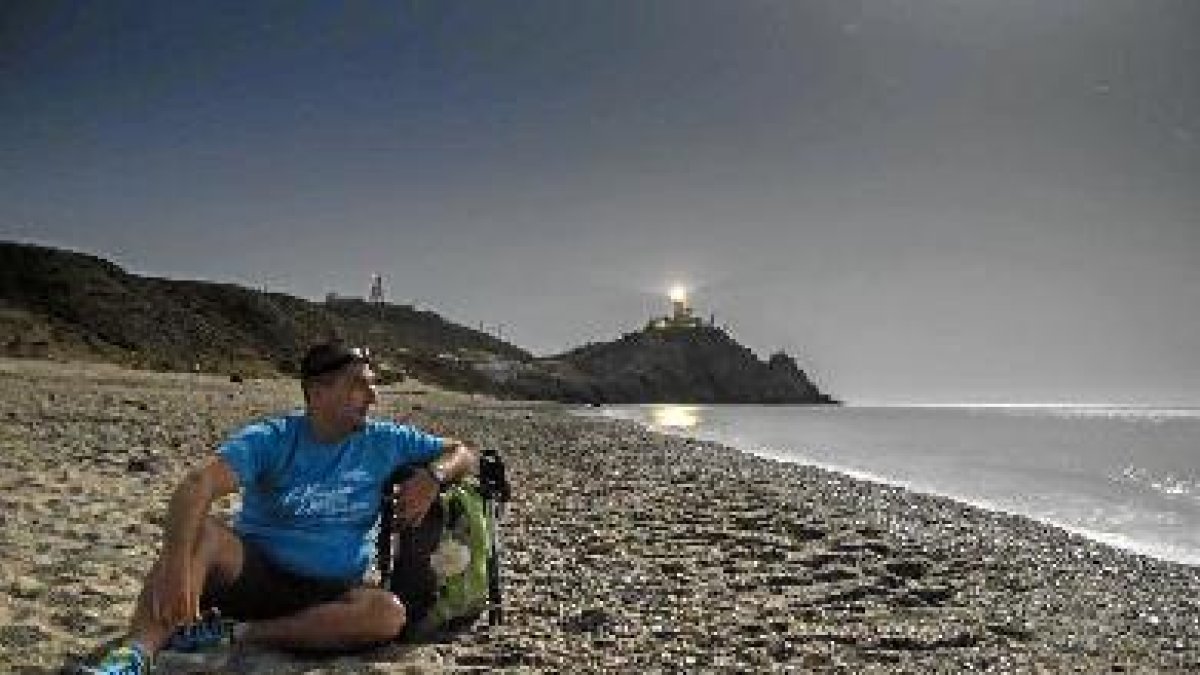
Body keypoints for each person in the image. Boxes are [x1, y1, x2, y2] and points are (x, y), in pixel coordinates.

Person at [80, 342, 479, 674]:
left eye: (372, 386)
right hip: (256, 574)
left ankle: (240, 633)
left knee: (387, 615)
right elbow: (195, 485)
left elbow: (463, 452)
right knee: (202, 533)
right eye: (358, 386)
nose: (373, 397)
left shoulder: (385, 441)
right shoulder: (274, 438)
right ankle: (133, 654)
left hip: (330, 592)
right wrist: (173, 565)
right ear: (318, 391)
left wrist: (433, 477)